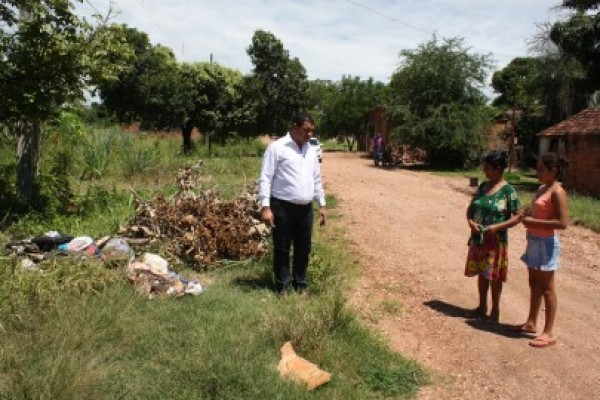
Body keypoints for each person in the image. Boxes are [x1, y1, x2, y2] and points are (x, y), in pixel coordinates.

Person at [258, 113, 327, 296]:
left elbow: (316, 178)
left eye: (312, 130)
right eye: (306, 129)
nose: (310, 134)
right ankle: (282, 286)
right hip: (282, 207)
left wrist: (322, 203)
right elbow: (266, 177)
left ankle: (301, 284)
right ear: (294, 127)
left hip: (305, 209)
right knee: (282, 247)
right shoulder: (277, 147)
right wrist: (265, 207)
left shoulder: (311, 150)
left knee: (303, 248)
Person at [514, 152, 568, 348]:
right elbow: (536, 211)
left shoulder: (557, 192)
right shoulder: (541, 188)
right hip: (534, 240)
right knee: (534, 283)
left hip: (546, 243)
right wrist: (525, 214)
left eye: (541, 170)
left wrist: (533, 221)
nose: (537, 173)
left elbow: (562, 223)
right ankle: (531, 322)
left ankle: (548, 332)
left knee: (547, 288)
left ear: (553, 171)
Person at [465, 150, 522, 322]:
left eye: (487, 167)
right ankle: (482, 307)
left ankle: (495, 311)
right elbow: (471, 208)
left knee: (494, 276)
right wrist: (470, 222)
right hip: (479, 239)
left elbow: (518, 216)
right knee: (482, 274)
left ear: (498, 169)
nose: (484, 170)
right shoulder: (483, 186)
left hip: (496, 242)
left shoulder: (508, 191)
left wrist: (497, 227)